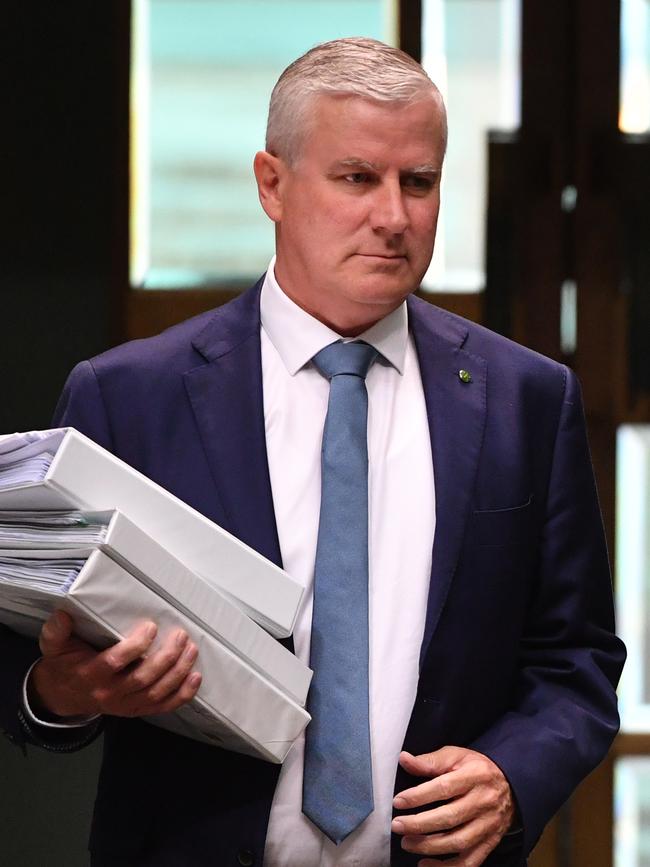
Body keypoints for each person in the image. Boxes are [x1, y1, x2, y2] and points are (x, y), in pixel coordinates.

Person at [0, 37, 624, 867]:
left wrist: (511, 774)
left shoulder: (527, 400)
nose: (395, 216)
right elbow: (23, 661)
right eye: (358, 178)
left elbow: (576, 659)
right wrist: (63, 693)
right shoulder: (128, 397)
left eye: (421, 182)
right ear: (272, 184)